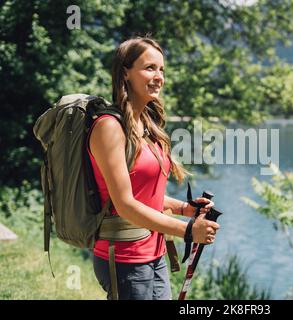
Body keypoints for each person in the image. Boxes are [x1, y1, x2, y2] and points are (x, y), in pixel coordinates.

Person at [88, 35, 220, 300]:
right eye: (150, 68)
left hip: (155, 252)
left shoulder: (147, 126)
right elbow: (124, 204)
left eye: (161, 69)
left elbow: (145, 195)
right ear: (125, 73)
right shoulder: (109, 127)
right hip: (125, 257)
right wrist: (186, 230)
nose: (159, 76)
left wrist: (184, 209)